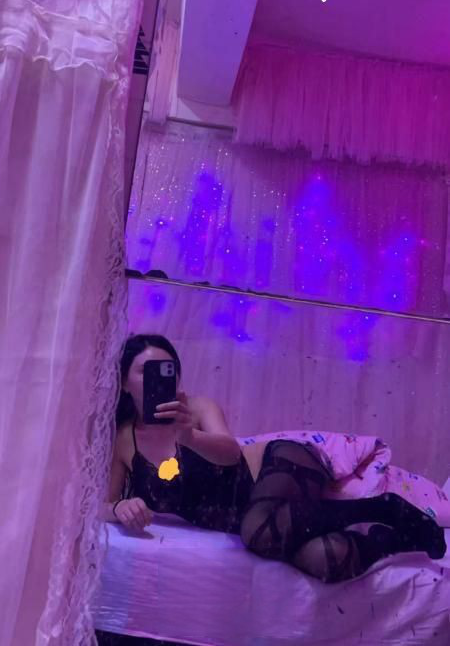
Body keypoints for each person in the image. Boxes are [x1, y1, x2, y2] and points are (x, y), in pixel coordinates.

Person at [106, 334, 446, 583]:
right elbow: (101, 504)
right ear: (123, 383)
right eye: (145, 372)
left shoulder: (198, 409)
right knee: (326, 559)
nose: (157, 380)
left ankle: (383, 507)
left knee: (257, 530)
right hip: (252, 520)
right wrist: (120, 507)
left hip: (280, 466)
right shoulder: (122, 439)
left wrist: (189, 437)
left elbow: (230, 453)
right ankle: (392, 541)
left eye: (166, 371)